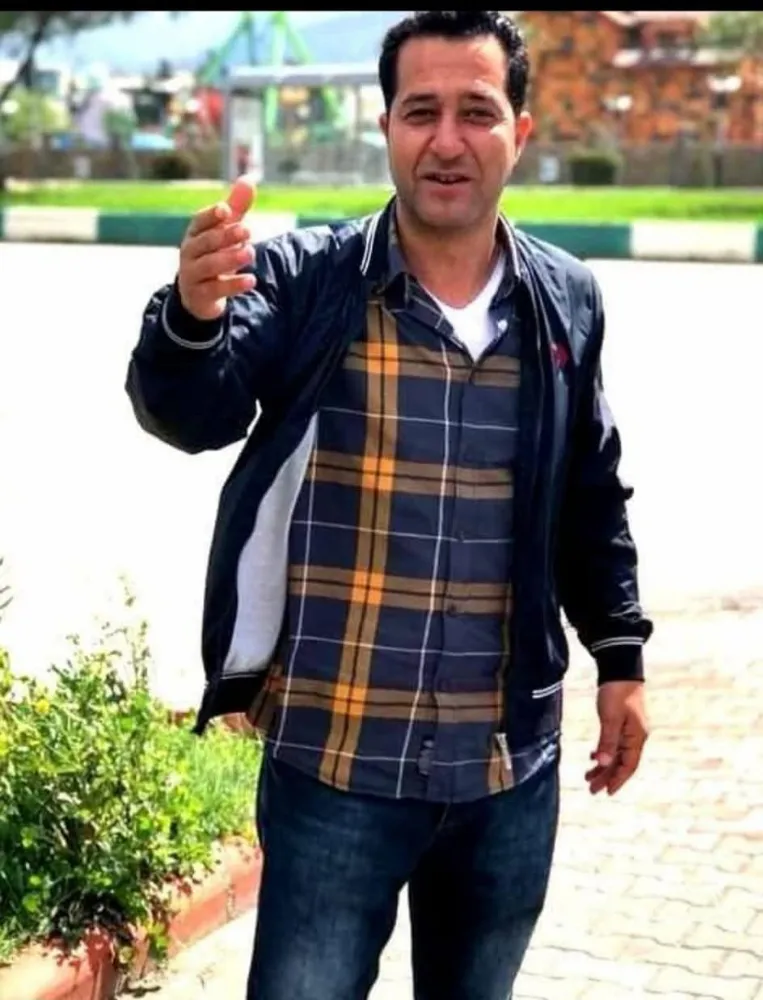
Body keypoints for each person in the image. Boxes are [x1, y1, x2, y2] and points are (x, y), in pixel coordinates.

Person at [126, 10, 653, 1000]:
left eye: (475, 112)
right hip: (334, 765)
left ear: (518, 132)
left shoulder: (565, 300)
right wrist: (190, 317)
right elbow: (192, 413)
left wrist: (619, 658)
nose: (446, 140)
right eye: (421, 112)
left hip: (504, 773)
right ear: (386, 128)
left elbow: (590, 490)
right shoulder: (307, 281)